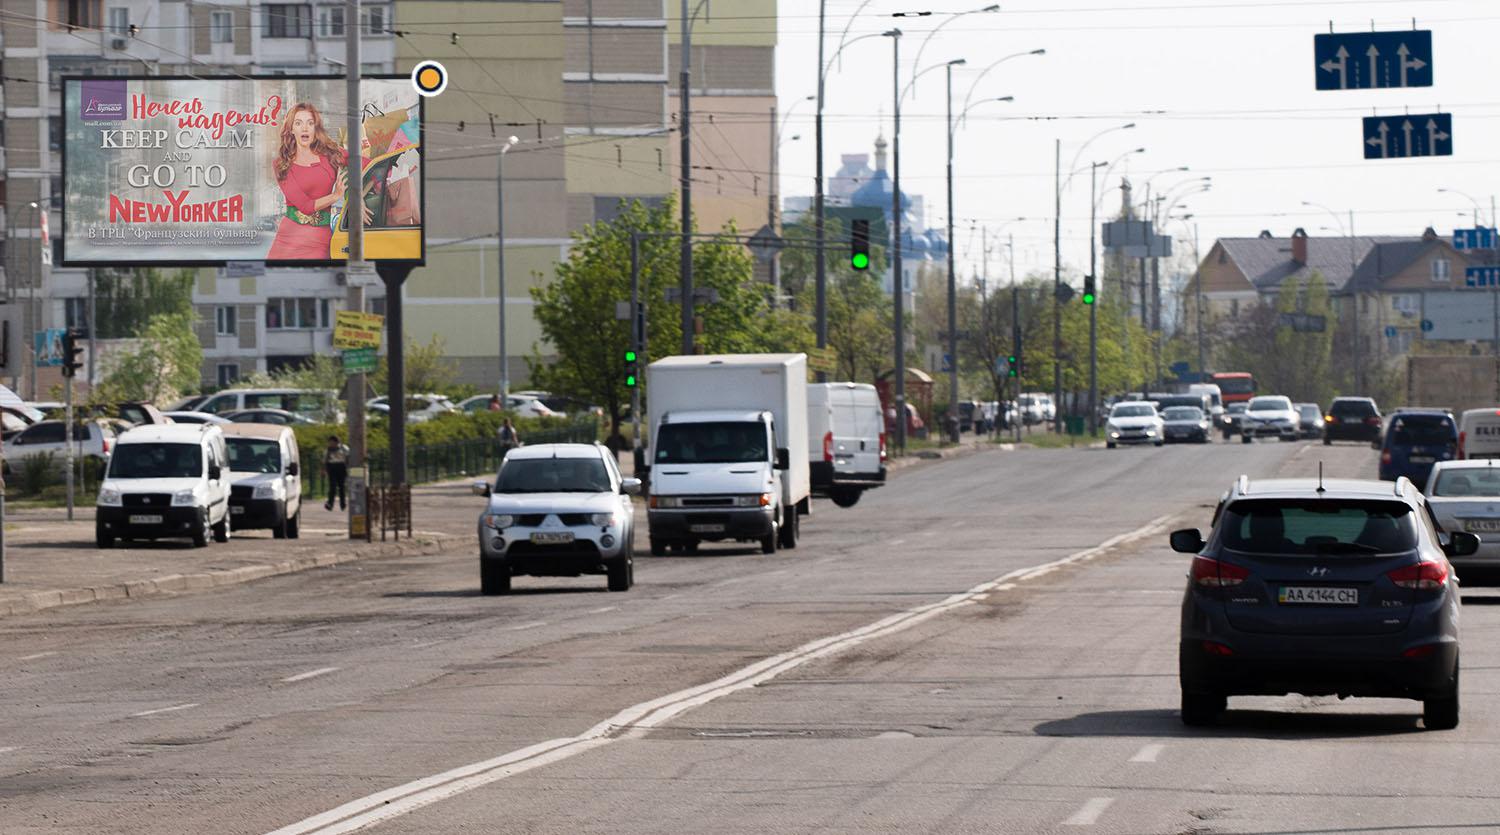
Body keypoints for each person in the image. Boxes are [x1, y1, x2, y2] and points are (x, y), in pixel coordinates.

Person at [266, 102, 372, 260]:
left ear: (316, 128)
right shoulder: (281, 164)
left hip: (319, 238)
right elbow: (306, 206)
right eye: (298, 123)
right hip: (287, 239)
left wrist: (355, 196)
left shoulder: (331, 154)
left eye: (310, 123)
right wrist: (336, 196)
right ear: (291, 129)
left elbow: (366, 165)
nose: (305, 128)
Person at [324, 435, 349, 511]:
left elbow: (348, 456)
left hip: (341, 466)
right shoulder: (328, 449)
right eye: (330, 442)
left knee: (342, 486)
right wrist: (324, 469)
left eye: (332, 442)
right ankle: (330, 504)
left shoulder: (343, 448)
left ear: (336, 442)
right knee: (332, 486)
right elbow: (325, 460)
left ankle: (343, 504)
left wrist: (348, 466)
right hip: (332, 467)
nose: (331, 444)